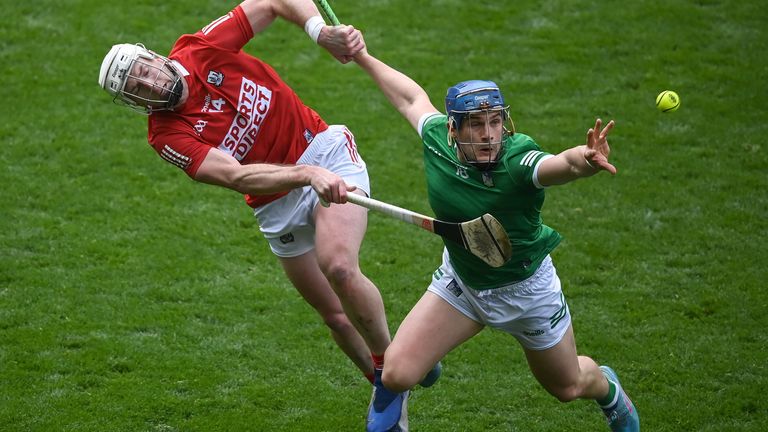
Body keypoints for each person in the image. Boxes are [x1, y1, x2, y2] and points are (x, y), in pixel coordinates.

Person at [97, 1, 437, 429]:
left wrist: (320, 33)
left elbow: (276, 2)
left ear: (153, 57)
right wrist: (304, 176)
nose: (148, 83)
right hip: (275, 199)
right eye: (136, 88)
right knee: (333, 314)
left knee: (339, 267)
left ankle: (392, 381)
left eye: (144, 70)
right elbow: (236, 177)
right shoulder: (165, 134)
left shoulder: (200, 49)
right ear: (134, 102)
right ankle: (393, 370)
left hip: (323, 151)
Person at [351, 45, 640, 432]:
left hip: (526, 291)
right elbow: (409, 97)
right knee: (397, 374)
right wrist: (362, 55)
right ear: (453, 128)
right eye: (475, 124)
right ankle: (420, 361)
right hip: (464, 282)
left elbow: (557, 164)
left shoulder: (517, 160)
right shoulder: (438, 139)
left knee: (568, 386)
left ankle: (608, 389)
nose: (488, 134)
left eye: (494, 121)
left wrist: (584, 161)